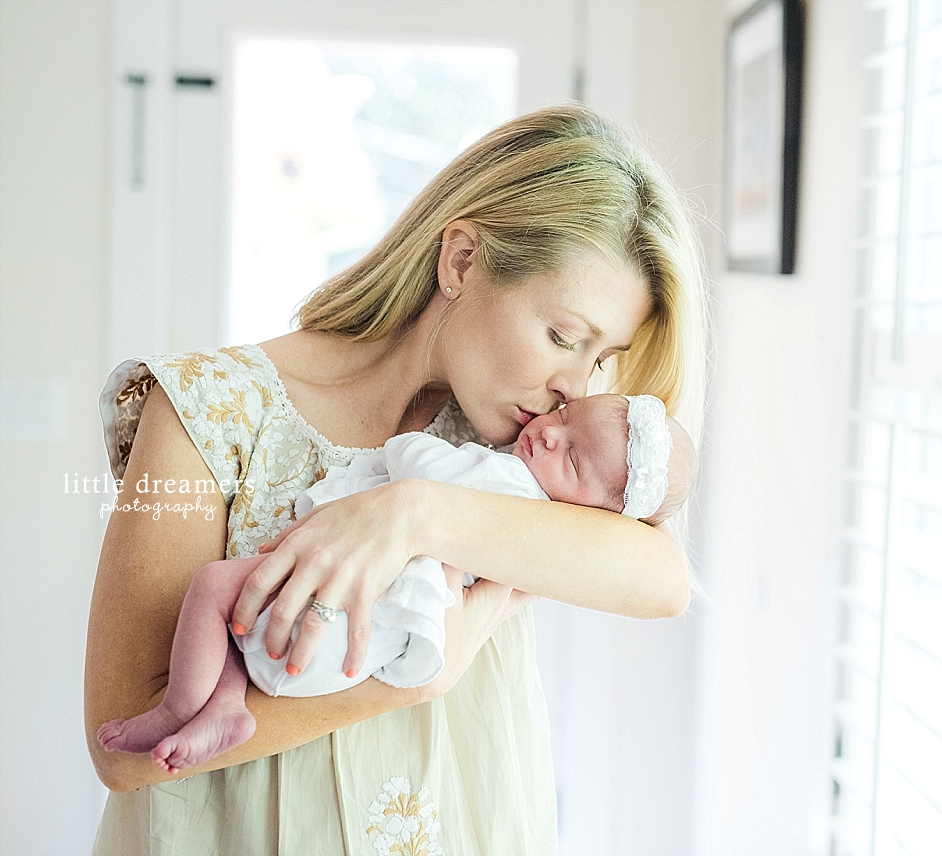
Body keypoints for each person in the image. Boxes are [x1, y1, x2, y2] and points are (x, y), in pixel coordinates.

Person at [85, 104, 708, 856]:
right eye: (563, 337)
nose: (573, 388)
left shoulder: (526, 454)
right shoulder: (210, 410)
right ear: (462, 261)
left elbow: (665, 580)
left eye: (599, 359)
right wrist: (410, 679)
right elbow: (120, 751)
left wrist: (415, 515)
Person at [96, 393, 697, 774]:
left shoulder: (509, 483)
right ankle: (226, 704)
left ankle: (179, 705)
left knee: (214, 588)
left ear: (597, 511)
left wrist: (414, 453)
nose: (549, 432)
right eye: (564, 417)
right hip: (351, 652)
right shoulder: (539, 538)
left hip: (330, 609)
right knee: (237, 620)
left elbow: (415, 462)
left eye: (571, 459)